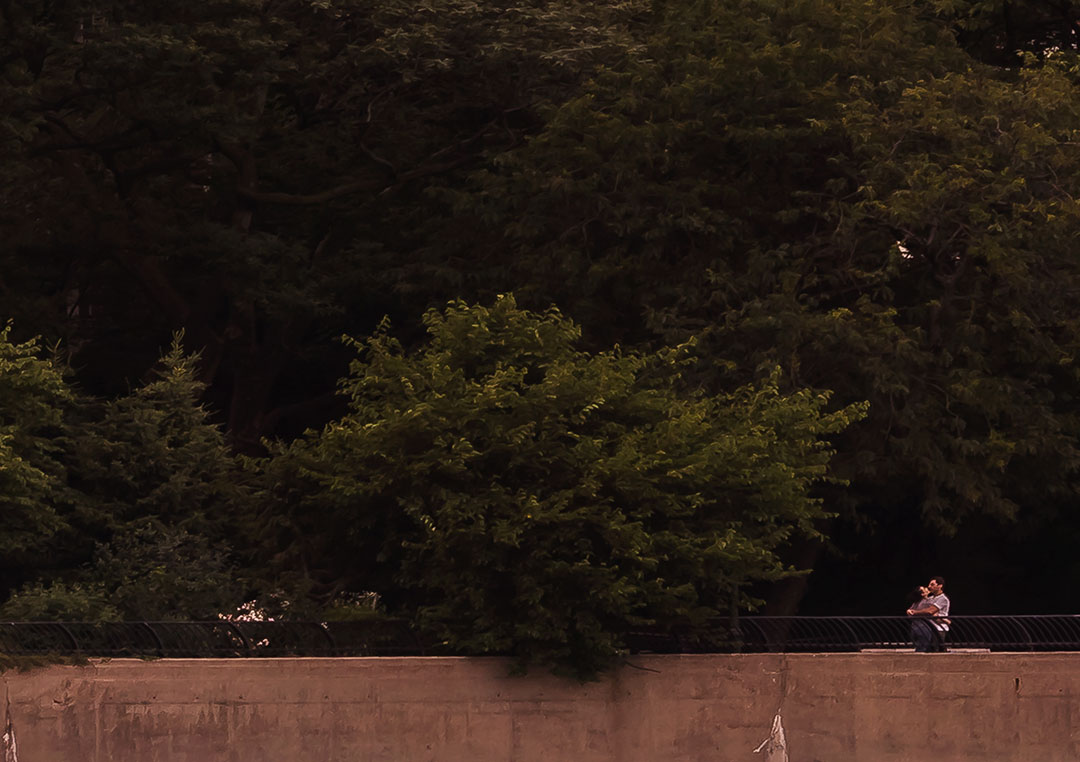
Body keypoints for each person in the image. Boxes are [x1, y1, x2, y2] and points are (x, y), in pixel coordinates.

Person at [906, 576, 950, 652]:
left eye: (932, 584)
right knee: (927, 650)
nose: (929, 587)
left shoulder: (943, 599)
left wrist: (915, 612)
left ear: (940, 586)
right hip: (929, 628)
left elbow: (930, 611)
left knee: (935, 652)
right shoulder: (931, 598)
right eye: (929, 584)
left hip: (938, 629)